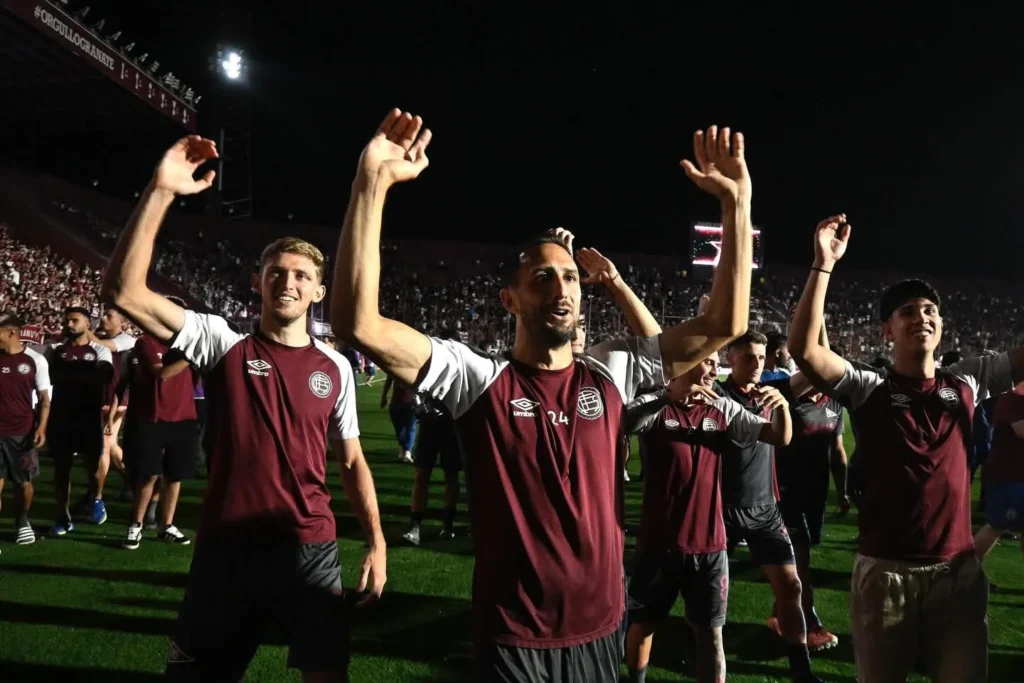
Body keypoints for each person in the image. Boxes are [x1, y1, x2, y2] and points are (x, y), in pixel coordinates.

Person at [332, 110, 754, 680]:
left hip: (602, 628)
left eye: (571, 277)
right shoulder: (477, 379)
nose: (561, 287)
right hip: (513, 636)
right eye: (542, 277)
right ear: (510, 300)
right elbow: (357, 322)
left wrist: (736, 205)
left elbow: (725, 323)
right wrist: (371, 184)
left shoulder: (610, 371)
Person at [102, 135, 386, 682]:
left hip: (310, 547)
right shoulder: (222, 342)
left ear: (318, 291)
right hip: (227, 548)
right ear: (257, 281)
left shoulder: (335, 368)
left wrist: (376, 542)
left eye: (301, 276)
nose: (288, 282)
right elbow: (123, 292)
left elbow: (351, 461)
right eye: (276, 271)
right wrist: (161, 190)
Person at [788, 214, 1021, 683]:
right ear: (887, 331)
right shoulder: (869, 386)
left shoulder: (967, 380)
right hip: (886, 572)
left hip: (957, 571)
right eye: (908, 312)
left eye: (930, 310)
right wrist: (823, 264)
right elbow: (805, 350)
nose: (922, 317)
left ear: (942, 326)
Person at [624, 353, 792, 683]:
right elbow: (623, 422)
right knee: (643, 625)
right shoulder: (657, 405)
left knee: (711, 635)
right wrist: (666, 397)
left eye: (718, 362)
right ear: (686, 363)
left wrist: (782, 408)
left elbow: (778, 436)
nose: (716, 368)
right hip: (659, 544)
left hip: (710, 545)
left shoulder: (722, 407)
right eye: (709, 361)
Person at [716, 331, 823, 678]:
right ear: (730, 358)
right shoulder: (716, 394)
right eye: (748, 356)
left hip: (764, 509)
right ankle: (704, 655)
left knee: (791, 586)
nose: (756, 364)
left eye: (761, 357)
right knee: (711, 594)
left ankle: (801, 670)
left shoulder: (772, 392)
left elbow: (817, 371)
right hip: (721, 509)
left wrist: (815, 328)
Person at [774, 369, 848, 650]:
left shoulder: (834, 402)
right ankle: (810, 623)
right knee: (801, 558)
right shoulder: (788, 398)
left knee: (802, 555)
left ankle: (779, 615)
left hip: (816, 493)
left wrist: (841, 492)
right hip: (786, 492)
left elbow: (837, 449)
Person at [121, 332, 198, 549]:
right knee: (149, 474)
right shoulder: (147, 342)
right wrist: (191, 356)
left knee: (174, 475)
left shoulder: (186, 342)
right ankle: (136, 524)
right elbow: (162, 373)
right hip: (152, 418)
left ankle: (167, 526)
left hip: (183, 416)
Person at [45, 306, 114, 534]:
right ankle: (62, 516)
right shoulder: (54, 350)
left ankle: (96, 498)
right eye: (67, 320)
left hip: (88, 416)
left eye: (74, 320)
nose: (69, 324)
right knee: (61, 468)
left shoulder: (100, 350)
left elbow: (105, 375)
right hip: (61, 416)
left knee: (93, 467)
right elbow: (48, 377)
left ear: (87, 323)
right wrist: (83, 375)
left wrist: (66, 376)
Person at [0, 313, 51, 547]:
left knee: (23, 484)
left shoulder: (35, 360)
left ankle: (22, 522)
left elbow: (44, 398)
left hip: (22, 433)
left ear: (11, 332)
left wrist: (41, 427)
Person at [973, 380, 1024, 560]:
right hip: (1009, 475)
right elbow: (1021, 429)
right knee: (997, 525)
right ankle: (960, 570)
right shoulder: (1013, 399)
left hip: (1017, 475)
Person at [381, 372, 419, 464]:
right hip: (401, 402)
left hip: (407, 402)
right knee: (403, 429)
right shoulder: (397, 369)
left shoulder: (415, 368)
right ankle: (405, 450)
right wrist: (384, 396)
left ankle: (406, 451)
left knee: (407, 428)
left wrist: (384, 396)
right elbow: (388, 381)